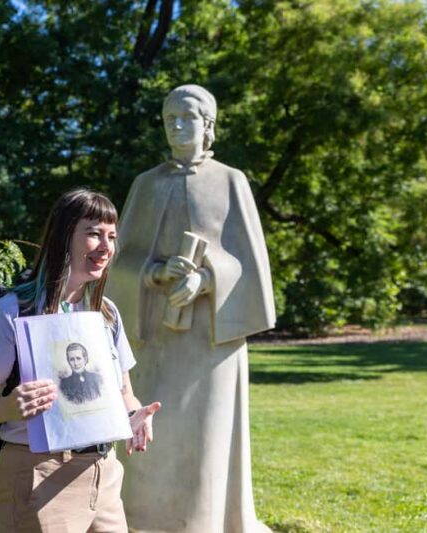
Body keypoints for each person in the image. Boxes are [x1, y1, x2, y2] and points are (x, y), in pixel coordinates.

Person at [106, 85, 276, 532]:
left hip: (210, 340)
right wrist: (150, 273)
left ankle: (204, 523)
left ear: (208, 124)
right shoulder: (145, 185)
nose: (178, 127)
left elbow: (249, 264)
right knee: (150, 436)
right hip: (154, 338)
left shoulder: (230, 181)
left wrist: (206, 278)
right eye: (170, 119)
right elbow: (119, 259)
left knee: (206, 438)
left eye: (188, 118)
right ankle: (139, 521)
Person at [0, 188, 161, 532]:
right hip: (38, 478)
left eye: (111, 236)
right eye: (93, 233)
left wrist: (134, 415)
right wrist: (8, 407)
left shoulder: (106, 314)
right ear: (64, 236)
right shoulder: (13, 312)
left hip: (104, 475)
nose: (106, 246)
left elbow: (124, 391)